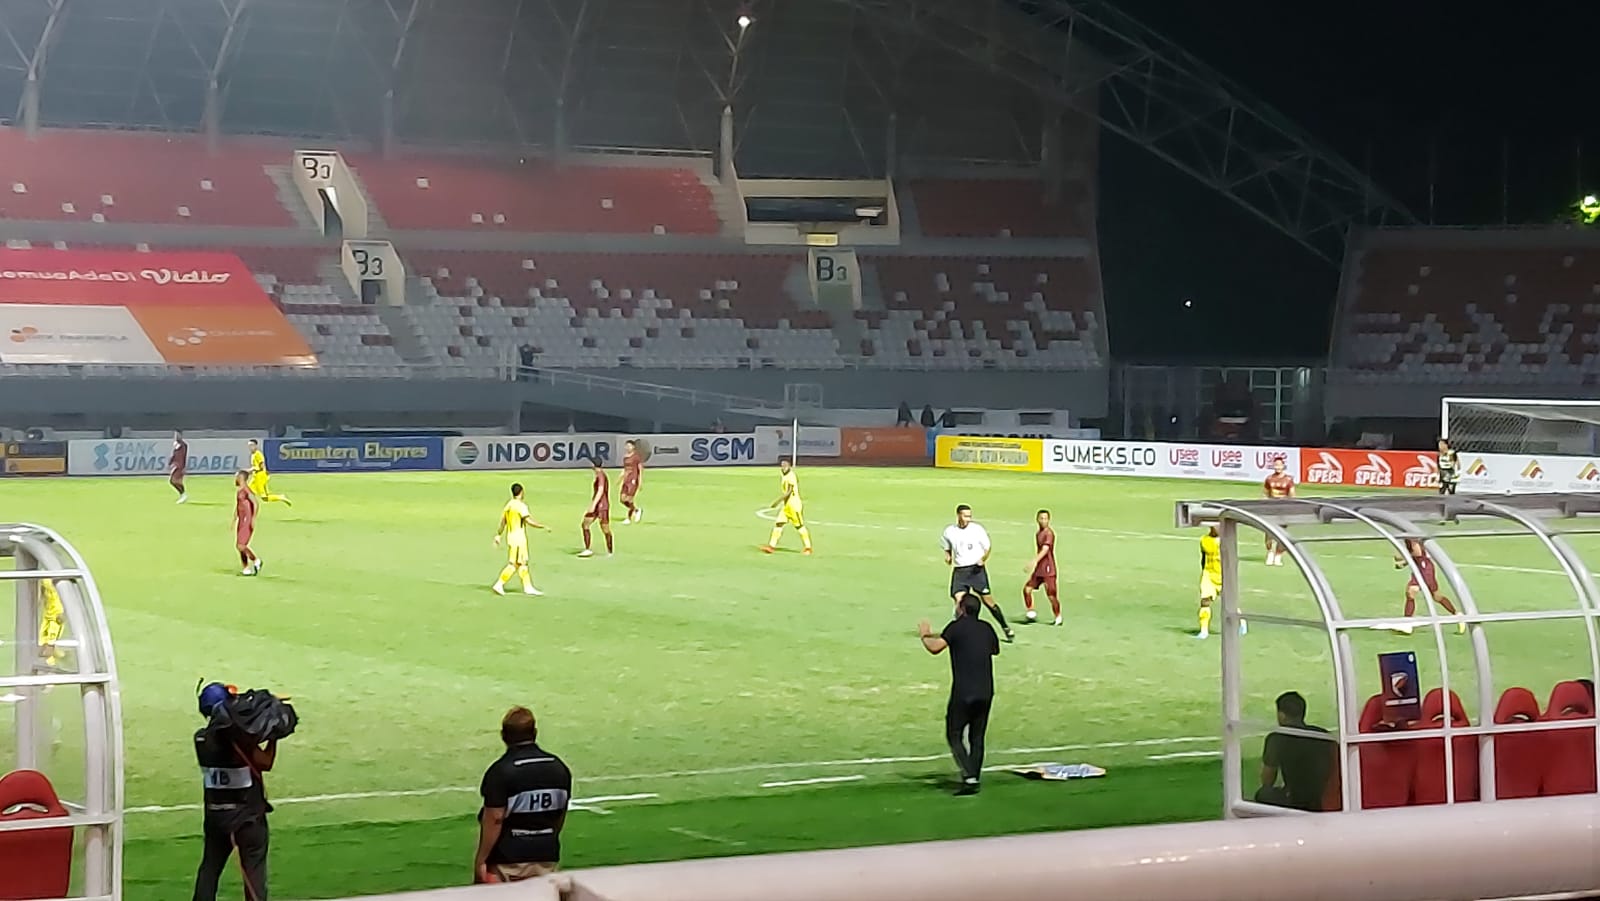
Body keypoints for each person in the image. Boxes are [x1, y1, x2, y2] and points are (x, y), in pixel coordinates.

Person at [192, 681, 276, 901]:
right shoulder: (240, 739)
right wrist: (272, 734)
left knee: (209, 869)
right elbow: (265, 762)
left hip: (216, 816)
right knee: (254, 874)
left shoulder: (200, 738)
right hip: (247, 819)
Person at [475, 706, 572, 884]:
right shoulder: (559, 768)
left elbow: (495, 818)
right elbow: (560, 815)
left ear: (504, 736)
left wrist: (481, 859)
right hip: (546, 855)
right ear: (534, 733)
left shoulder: (501, 771)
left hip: (508, 860)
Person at [919, 595, 1000, 796]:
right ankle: (974, 776)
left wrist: (925, 635)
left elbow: (935, 647)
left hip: (964, 691)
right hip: (986, 690)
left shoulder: (956, 627)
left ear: (962, 609)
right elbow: (994, 650)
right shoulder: (987, 628)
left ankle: (969, 776)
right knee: (977, 737)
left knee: (954, 733)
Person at [941, 504, 1013, 641]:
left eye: (969, 516)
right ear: (958, 515)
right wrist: (948, 555)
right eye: (965, 516)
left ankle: (1005, 627)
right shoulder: (949, 531)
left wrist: (983, 559)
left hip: (976, 570)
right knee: (959, 602)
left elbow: (987, 548)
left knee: (988, 602)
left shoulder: (977, 529)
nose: (968, 519)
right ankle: (961, 633)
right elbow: (947, 546)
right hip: (960, 571)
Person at [1254, 691, 1333, 812]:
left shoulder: (1277, 738)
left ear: (1282, 715)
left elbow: (1268, 777)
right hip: (1323, 797)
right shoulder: (1323, 734)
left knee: (1263, 794)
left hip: (1295, 800)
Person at [1395, 538, 1464, 634]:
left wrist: (1403, 557)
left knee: (1411, 591)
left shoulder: (1411, 538)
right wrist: (1404, 563)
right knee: (1437, 596)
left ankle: (1407, 623)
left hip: (1424, 568)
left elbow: (1417, 553)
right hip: (1425, 567)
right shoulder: (1411, 537)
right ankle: (1458, 615)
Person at [493, 483, 547, 596]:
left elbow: (503, 522)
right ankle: (499, 584)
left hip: (511, 536)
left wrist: (498, 535)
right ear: (521, 492)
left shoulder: (509, 505)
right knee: (513, 564)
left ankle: (528, 587)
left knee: (522, 563)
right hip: (519, 538)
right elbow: (528, 521)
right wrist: (541, 526)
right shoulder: (521, 506)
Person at [1196, 525, 1245, 638]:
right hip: (1208, 574)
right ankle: (1204, 631)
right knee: (1205, 601)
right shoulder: (1204, 540)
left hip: (1224, 575)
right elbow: (1203, 557)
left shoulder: (1225, 541)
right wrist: (1204, 571)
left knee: (1230, 602)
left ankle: (1241, 623)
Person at [761, 457, 813, 555]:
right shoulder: (783, 474)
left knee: (799, 526)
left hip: (794, 505)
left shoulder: (791, 476)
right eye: (782, 465)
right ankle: (771, 546)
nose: (783, 467)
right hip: (786, 506)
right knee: (779, 524)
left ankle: (808, 547)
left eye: (785, 465)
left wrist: (777, 502)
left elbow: (789, 492)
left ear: (789, 465)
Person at [1021, 509, 1061, 626]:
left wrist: (1034, 561)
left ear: (1049, 520)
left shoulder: (1049, 534)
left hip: (1048, 569)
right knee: (1027, 589)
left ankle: (1058, 615)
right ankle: (1031, 611)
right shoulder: (1038, 533)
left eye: (1045, 519)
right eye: (1041, 518)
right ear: (1037, 519)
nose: (1043, 521)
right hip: (1040, 569)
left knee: (1051, 595)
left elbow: (1045, 549)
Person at [1261, 457, 1294, 565]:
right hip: (1271, 509)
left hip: (1283, 509)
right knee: (1268, 532)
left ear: (1283, 466)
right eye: (1276, 465)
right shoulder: (1269, 479)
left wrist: (1290, 508)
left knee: (1282, 534)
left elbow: (1292, 496)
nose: (1278, 467)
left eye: (1280, 465)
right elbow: (1265, 494)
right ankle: (1270, 553)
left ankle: (1278, 555)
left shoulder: (1288, 479)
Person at [579, 458, 614, 558]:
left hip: (602, 506)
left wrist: (593, 505)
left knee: (605, 529)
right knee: (585, 524)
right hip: (599, 504)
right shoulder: (600, 475)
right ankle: (587, 549)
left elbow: (600, 490)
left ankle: (610, 550)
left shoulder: (600, 476)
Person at [246, 439, 292, 507]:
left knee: (265, 498)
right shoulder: (253, 455)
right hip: (255, 477)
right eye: (249, 446)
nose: (250, 447)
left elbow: (261, 467)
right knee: (247, 492)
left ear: (256, 446)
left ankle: (280, 497)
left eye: (252, 445)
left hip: (260, 477)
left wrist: (250, 470)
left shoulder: (258, 454)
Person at [234, 471, 261, 576]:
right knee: (240, 545)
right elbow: (238, 506)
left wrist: (253, 519)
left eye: (236, 477)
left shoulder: (246, 490)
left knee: (241, 545)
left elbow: (255, 503)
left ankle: (256, 560)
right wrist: (234, 519)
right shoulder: (239, 491)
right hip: (241, 521)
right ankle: (246, 568)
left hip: (247, 520)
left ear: (241, 478)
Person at [619, 439, 644, 524]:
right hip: (626, 480)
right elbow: (625, 469)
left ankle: (628, 518)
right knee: (622, 499)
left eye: (629, 445)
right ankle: (636, 510)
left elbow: (640, 469)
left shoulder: (636, 457)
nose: (628, 447)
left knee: (629, 499)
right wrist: (620, 478)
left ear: (633, 447)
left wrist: (640, 481)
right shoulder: (625, 457)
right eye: (627, 446)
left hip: (633, 480)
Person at [170, 430, 189, 504]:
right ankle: (183, 495)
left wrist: (183, 467)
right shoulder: (176, 444)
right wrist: (171, 462)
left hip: (180, 466)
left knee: (173, 480)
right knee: (175, 481)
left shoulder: (183, 445)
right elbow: (174, 454)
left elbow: (182, 456)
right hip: (176, 465)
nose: (176, 436)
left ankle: (183, 495)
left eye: (178, 435)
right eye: (175, 435)